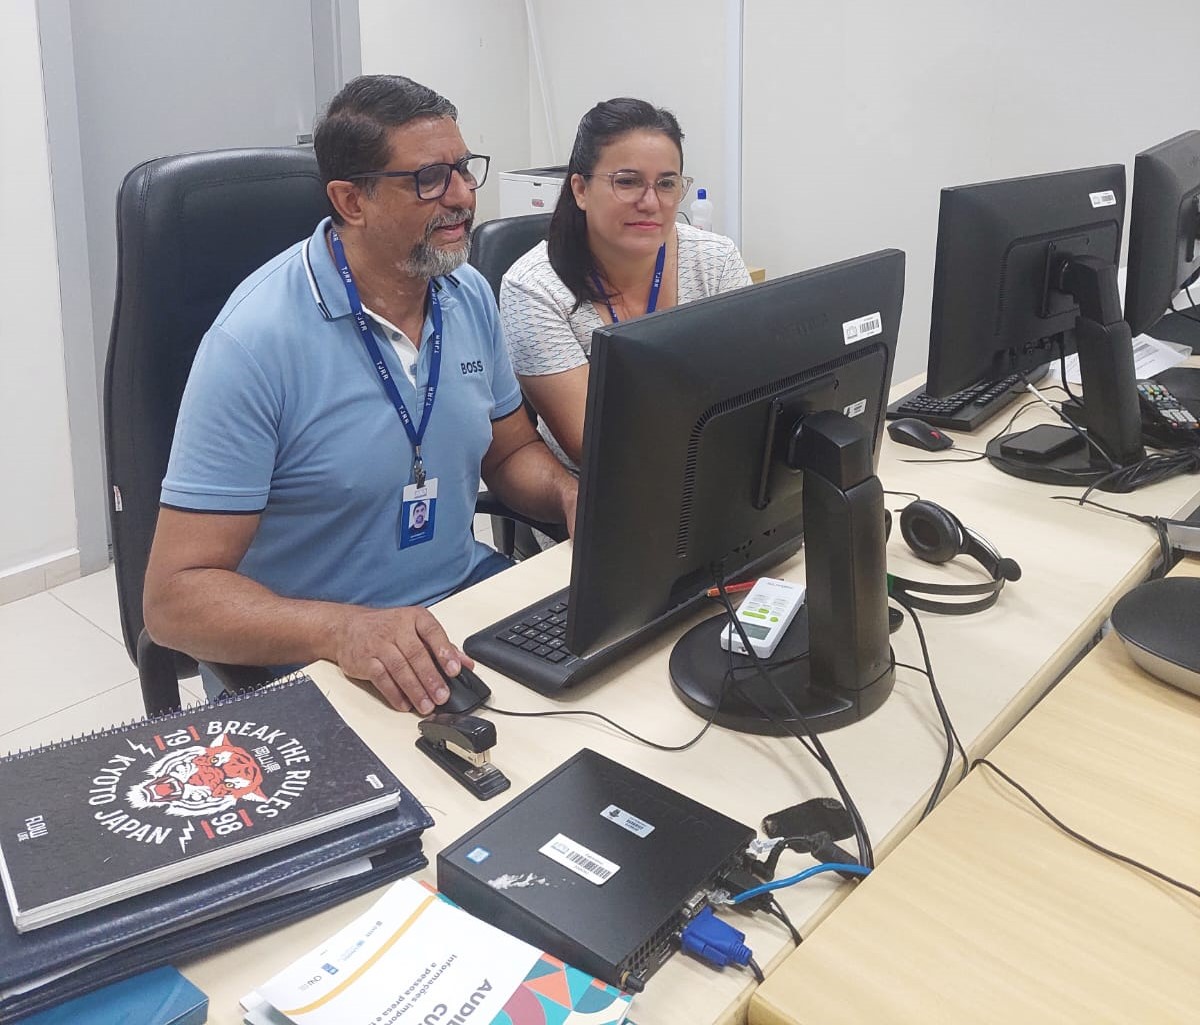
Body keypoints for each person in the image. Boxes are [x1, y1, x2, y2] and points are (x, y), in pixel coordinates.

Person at [143, 75, 577, 717]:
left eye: (463, 169)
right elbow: (173, 601)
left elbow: (510, 453)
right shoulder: (255, 341)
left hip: (461, 604)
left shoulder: (467, 294)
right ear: (351, 200)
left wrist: (570, 493)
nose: (461, 197)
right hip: (315, 655)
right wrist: (342, 629)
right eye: (430, 178)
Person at [500, 98, 752, 467]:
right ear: (581, 190)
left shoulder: (715, 260)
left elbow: (757, 386)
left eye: (667, 183)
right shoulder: (535, 288)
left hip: (718, 473)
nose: (651, 202)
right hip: (604, 500)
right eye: (628, 182)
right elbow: (595, 445)